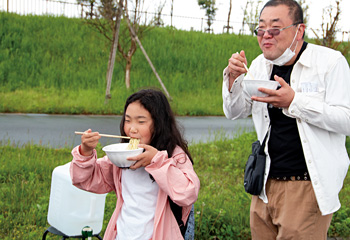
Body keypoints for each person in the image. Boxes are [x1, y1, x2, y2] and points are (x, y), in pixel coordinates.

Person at [222, 0, 350, 239]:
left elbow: (346, 119)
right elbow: (235, 112)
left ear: (299, 30)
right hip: (263, 185)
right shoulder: (260, 65)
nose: (265, 36)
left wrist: (294, 102)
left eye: (275, 29)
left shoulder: (329, 63)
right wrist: (233, 79)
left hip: (305, 186)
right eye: (260, 29)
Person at [70, 88, 200, 240]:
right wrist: (85, 152)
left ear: (159, 124)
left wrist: (157, 161)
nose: (132, 129)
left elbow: (188, 193)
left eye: (141, 121)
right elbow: (85, 179)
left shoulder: (174, 155)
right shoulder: (123, 155)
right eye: (127, 120)